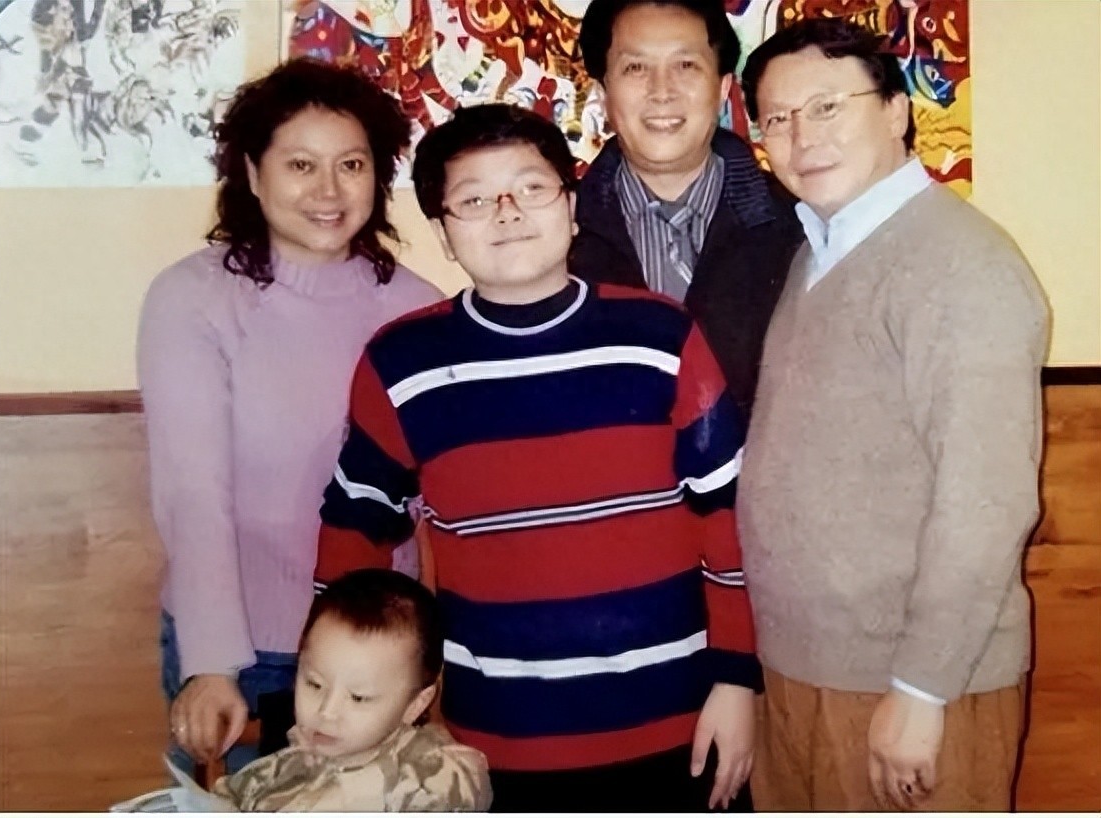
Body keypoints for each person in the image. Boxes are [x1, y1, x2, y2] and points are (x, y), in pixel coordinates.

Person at [313, 103, 761, 812]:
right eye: (474, 200)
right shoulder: (402, 362)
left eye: (531, 188)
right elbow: (353, 530)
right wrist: (344, 692)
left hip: (681, 719)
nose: (508, 213)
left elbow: (727, 515)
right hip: (499, 736)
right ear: (443, 233)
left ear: (571, 207)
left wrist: (737, 679)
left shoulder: (660, 336)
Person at [735, 17, 1049, 812]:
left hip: (909, 683)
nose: (801, 136)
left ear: (896, 111)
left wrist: (921, 688)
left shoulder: (960, 264)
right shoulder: (819, 249)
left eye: (827, 106)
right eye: (778, 118)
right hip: (804, 667)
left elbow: (987, 500)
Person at [137, 58, 442, 773]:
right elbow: (194, 494)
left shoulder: (418, 308)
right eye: (301, 165)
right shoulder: (193, 300)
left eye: (351, 164)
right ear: (252, 172)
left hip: (375, 650)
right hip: (248, 647)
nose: (328, 191)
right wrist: (211, 663)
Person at [570, 0, 804, 420]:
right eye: (635, 68)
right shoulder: (554, 234)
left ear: (722, 88)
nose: (662, 91)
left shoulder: (802, 227)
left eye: (686, 66)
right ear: (603, 95)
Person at [210, 568, 492, 811]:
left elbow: (463, 781)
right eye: (314, 684)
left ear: (415, 705)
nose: (326, 711)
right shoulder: (284, 766)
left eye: (358, 697)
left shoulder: (430, 781)